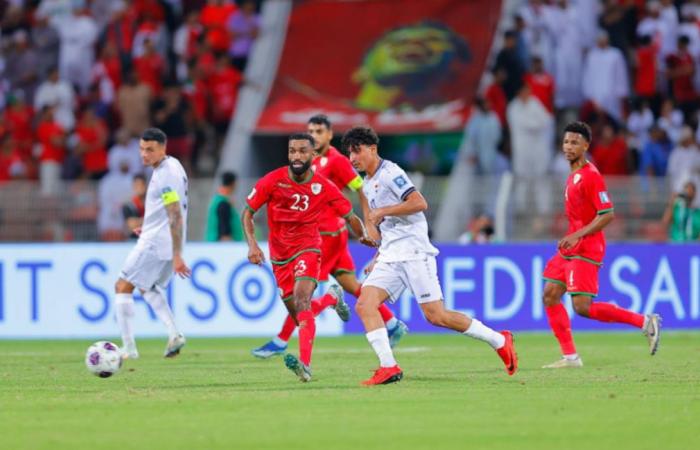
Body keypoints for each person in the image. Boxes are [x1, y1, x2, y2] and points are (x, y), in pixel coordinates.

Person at [343, 126, 517, 386]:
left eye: (357, 151)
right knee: (364, 304)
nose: (352, 158)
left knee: (436, 316)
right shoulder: (367, 184)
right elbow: (387, 229)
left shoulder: (391, 173)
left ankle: (499, 340)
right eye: (349, 153)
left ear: (372, 149)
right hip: (391, 254)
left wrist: (383, 212)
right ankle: (388, 367)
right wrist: (378, 254)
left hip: (414, 252)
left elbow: (419, 202)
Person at [251, 115, 407, 358]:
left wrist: (366, 221)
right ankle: (392, 323)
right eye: (311, 130)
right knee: (350, 284)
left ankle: (282, 339)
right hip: (325, 234)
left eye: (319, 131)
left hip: (325, 236)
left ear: (330, 134)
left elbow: (360, 188)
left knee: (301, 295)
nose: (314, 134)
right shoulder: (309, 161)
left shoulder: (337, 161)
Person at [242, 133, 376, 382]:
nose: (296, 156)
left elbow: (350, 216)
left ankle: (305, 366)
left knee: (303, 301)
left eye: (303, 151)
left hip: (309, 248)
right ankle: (329, 299)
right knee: (300, 315)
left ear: (313, 155)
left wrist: (364, 235)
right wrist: (252, 245)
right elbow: (247, 213)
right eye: (292, 151)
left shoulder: (324, 186)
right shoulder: (272, 180)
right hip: (279, 255)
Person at [541, 121, 661, 369]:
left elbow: (607, 213)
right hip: (572, 246)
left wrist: (578, 235)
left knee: (582, 307)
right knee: (550, 294)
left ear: (586, 145)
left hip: (586, 247)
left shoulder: (591, 176)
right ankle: (571, 357)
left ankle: (644, 322)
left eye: (574, 142)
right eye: (566, 141)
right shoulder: (574, 175)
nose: (568, 147)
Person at [114, 128, 190, 360]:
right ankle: (174, 333)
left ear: (163, 148)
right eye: (141, 149)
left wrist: (177, 255)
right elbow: (166, 211)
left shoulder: (166, 175)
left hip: (156, 243)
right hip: (162, 238)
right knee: (148, 287)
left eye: (150, 150)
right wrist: (147, 226)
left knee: (122, 287)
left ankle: (128, 348)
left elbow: (175, 213)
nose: (144, 154)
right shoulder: (173, 166)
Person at [205, 171, 243, 241]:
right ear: (233, 184)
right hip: (222, 245)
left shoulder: (217, 200)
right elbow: (224, 230)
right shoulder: (223, 203)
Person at [123, 173, 147, 240]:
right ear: (133, 186)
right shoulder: (128, 205)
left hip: (149, 240)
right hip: (134, 240)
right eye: (136, 185)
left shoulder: (151, 204)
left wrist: (138, 221)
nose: (139, 188)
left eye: (141, 185)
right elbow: (132, 225)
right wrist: (149, 220)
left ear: (145, 186)